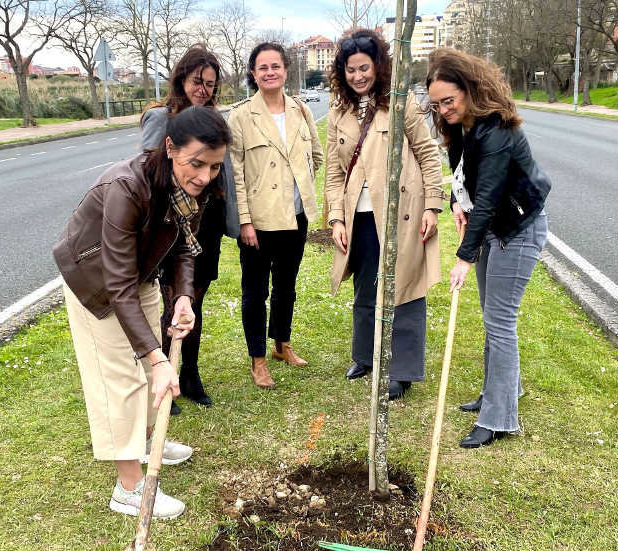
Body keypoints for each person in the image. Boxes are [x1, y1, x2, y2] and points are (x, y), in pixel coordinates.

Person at [54, 107, 232, 518]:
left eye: (214, 166)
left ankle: (148, 440)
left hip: (142, 274)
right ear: (170, 147)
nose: (204, 176)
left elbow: (186, 244)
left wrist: (184, 296)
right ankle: (129, 488)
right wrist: (156, 357)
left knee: (146, 371)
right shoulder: (126, 186)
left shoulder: (193, 184)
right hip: (95, 282)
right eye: (196, 163)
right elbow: (117, 285)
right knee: (123, 377)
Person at [426, 48, 551, 448]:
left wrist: (464, 256)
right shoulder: (463, 127)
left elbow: (492, 195)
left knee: (500, 321)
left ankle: (498, 418)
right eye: (436, 103)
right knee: (492, 318)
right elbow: (464, 180)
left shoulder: (496, 130)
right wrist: (455, 204)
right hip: (494, 228)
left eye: (449, 100)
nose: (443, 109)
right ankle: (499, 392)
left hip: (517, 230)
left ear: (470, 90)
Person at [324, 29, 444, 400]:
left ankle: (399, 369)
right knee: (364, 287)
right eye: (351, 70)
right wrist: (336, 218)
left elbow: (427, 155)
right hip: (357, 217)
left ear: (378, 66)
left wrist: (432, 205)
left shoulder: (400, 103)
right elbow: (332, 172)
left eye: (364, 68)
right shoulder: (338, 113)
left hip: (399, 214)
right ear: (342, 73)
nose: (358, 76)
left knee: (402, 287)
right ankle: (365, 356)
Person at [140, 45, 239, 412]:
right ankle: (167, 373)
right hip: (172, 224)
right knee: (170, 303)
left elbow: (224, 173)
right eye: (198, 81)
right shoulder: (162, 117)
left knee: (194, 301)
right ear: (182, 78)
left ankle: (192, 373)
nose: (204, 89)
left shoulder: (214, 118)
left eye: (211, 83)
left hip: (206, 222)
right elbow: (152, 173)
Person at [227, 42, 324, 389]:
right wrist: (245, 221)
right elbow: (235, 172)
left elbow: (315, 153)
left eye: (276, 66)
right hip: (259, 222)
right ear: (253, 73)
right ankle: (258, 360)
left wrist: (302, 188)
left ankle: (282, 344)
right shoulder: (240, 116)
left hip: (295, 217)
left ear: (285, 70)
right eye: (262, 67)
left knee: (287, 286)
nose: (270, 72)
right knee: (255, 291)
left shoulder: (300, 110)